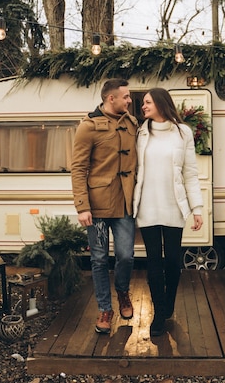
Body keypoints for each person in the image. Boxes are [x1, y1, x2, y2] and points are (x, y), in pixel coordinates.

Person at [133, 87, 203, 337]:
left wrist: (197, 208)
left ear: (161, 103)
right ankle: (159, 313)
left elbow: (190, 174)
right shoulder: (141, 132)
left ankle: (169, 303)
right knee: (153, 262)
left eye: (148, 102)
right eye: (143, 103)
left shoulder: (183, 133)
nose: (143, 106)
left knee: (173, 261)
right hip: (147, 205)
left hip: (174, 205)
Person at [71, 78, 138, 334]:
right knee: (99, 259)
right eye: (126, 97)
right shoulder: (88, 127)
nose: (130, 101)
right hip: (96, 206)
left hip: (124, 204)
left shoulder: (132, 124)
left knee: (126, 256)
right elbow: (77, 168)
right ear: (111, 98)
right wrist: (82, 206)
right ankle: (104, 309)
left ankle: (122, 291)